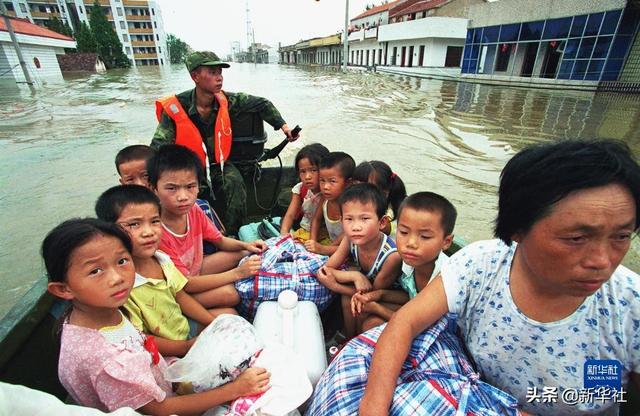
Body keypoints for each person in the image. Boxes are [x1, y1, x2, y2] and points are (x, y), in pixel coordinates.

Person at [360, 140, 640, 416]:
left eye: (621, 236)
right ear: (517, 229)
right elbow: (405, 322)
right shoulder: (480, 265)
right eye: (576, 238)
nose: (602, 261)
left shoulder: (631, 307)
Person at [43, 218, 270, 414]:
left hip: (164, 379)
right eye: (95, 271)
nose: (117, 278)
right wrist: (236, 389)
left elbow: (141, 342)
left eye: (122, 261)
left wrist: (185, 351)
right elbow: (160, 410)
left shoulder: (103, 313)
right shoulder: (108, 361)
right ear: (63, 289)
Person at [95, 185, 258, 355]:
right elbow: (140, 338)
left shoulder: (161, 260)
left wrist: (213, 323)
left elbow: (181, 297)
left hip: (182, 326)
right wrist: (186, 348)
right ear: (108, 230)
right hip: (166, 351)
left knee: (230, 317)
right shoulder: (122, 284)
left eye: (155, 221)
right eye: (134, 224)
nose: (148, 232)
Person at [151, 51, 297, 235]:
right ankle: (188, 236)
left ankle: (232, 234)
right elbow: (158, 147)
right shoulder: (176, 107)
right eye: (212, 72)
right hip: (187, 168)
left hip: (218, 165)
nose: (219, 77)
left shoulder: (226, 100)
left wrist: (284, 128)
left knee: (235, 184)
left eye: (220, 72)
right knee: (183, 195)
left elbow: (262, 104)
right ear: (195, 76)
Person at [147, 145, 265, 281]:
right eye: (172, 188)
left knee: (247, 253)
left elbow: (219, 240)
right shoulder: (155, 231)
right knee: (231, 294)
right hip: (181, 285)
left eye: (190, 186)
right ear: (153, 188)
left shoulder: (195, 209)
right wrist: (237, 273)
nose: (183, 197)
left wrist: (247, 245)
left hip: (197, 267)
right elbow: (185, 284)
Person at [351, 191, 456, 331]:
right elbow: (412, 296)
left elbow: (419, 322)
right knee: (364, 308)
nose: (411, 243)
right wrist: (377, 295)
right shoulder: (408, 263)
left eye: (424, 237)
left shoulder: (444, 277)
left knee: (372, 320)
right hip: (417, 314)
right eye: (404, 233)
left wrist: (377, 307)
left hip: (438, 329)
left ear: (446, 242)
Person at [317, 183, 401, 338]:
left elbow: (371, 296)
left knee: (359, 306)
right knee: (349, 288)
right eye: (349, 219)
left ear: (382, 222)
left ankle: (356, 341)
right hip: (366, 291)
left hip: (388, 298)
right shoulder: (350, 239)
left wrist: (335, 285)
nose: (356, 227)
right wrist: (356, 276)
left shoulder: (391, 257)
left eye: (364, 219)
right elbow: (326, 269)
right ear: (342, 221)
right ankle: (349, 339)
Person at [115, 144, 226, 240]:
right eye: (130, 179)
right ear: (122, 182)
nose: (140, 184)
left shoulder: (197, 207)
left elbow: (220, 237)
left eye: (145, 176)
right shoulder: (124, 219)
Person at [305, 151, 355, 256]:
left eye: (332, 181)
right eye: (322, 181)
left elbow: (348, 235)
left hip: (349, 247)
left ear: (348, 183)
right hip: (332, 245)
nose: (325, 187)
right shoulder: (324, 199)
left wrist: (324, 249)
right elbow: (316, 219)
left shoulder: (352, 205)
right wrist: (312, 242)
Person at [279, 143, 330, 241]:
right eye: (303, 171)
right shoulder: (300, 189)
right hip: (305, 231)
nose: (307, 177)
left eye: (313, 170)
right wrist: (283, 236)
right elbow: (290, 215)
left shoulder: (330, 193)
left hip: (326, 235)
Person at [352, 161, 407, 237]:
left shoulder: (386, 217)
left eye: (366, 188)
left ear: (385, 193)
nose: (357, 193)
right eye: (355, 186)